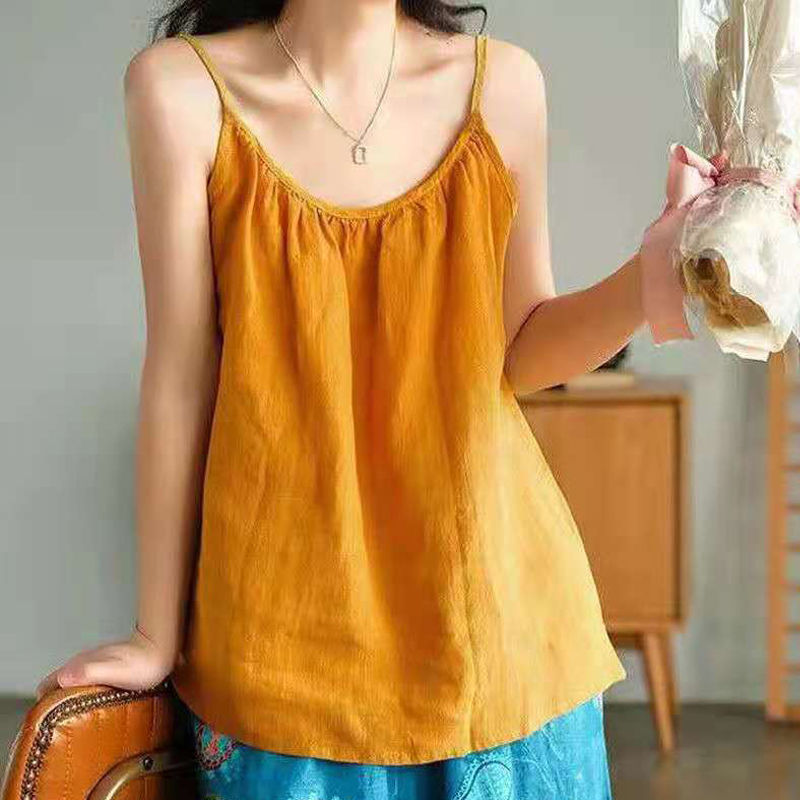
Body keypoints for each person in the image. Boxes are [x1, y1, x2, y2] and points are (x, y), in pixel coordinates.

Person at [35, 1, 681, 797]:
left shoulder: (505, 86)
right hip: (284, 656)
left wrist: (657, 270)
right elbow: (180, 374)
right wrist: (154, 636)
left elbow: (522, 352)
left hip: (500, 634)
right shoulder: (181, 92)